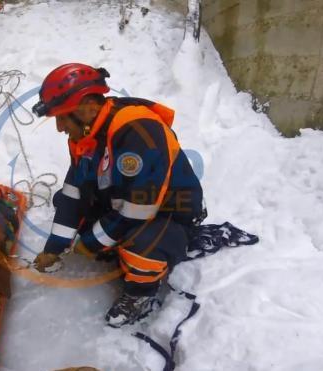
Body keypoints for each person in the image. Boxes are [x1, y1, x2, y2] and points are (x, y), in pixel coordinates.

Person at [31, 63, 206, 327]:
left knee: (142, 243)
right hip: (125, 201)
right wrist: (54, 248)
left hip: (168, 210)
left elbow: (140, 206)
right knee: (64, 201)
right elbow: (73, 192)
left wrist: (92, 242)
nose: (59, 128)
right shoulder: (86, 135)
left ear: (89, 106)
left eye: (63, 117)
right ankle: (111, 243)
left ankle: (140, 294)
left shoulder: (137, 129)